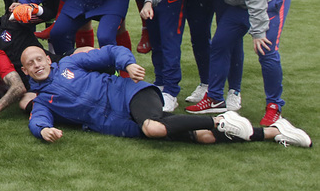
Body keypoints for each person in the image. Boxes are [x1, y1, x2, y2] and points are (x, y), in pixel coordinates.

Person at [142, 0, 290, 125]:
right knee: (220, 44)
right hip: (239, 5)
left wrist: (258, 31)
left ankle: (274, 106)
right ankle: (214, 98)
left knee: (266, 51)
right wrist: (150, 1)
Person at [24, 45, 310, 148]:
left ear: (48, 59)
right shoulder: (44, 100)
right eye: (30, 63)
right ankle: (274, 132)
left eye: (40, 59)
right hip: (121, 124)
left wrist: (127, 63)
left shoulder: (70, 64)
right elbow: (37, 120)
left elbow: (110, 51)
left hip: (132, 95)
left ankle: (221, 120)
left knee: (155, 127)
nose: (37, 65)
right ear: (25, 70)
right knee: (203, 137)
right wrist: (44, 129)